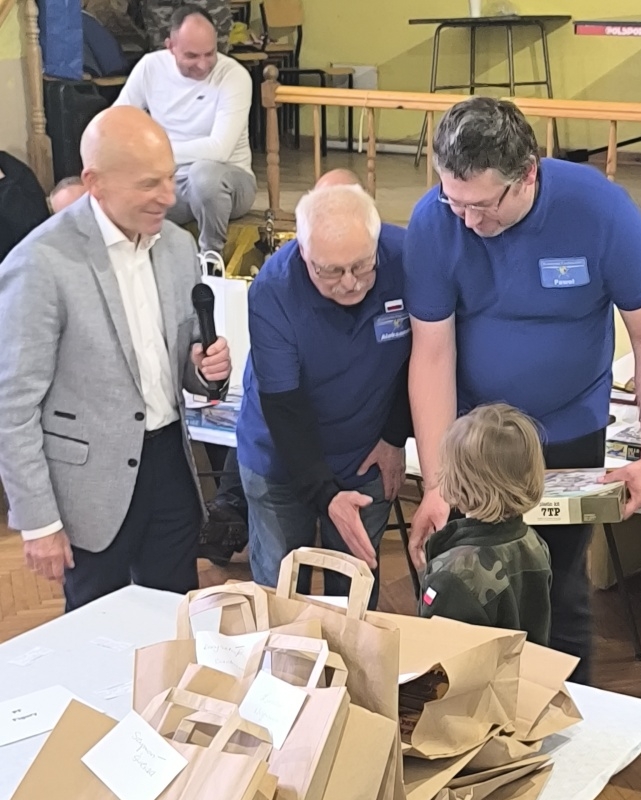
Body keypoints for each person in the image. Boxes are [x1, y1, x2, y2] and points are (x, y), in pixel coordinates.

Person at [405, 97, 641, 684]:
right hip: (475, 442)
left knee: (556, 584)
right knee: (468, 582)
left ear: (527, 174)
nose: (467, 221)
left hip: (569, 428)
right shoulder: (434, 221)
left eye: (482, 206)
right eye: (454, 202)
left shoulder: (600, 211)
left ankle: (567, 717)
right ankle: (468, 716)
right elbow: (431, 354)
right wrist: (435, 483)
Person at [0, 106, 231, 609]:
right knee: (95, 633)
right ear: (95, 183)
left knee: (170, 620)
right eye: (149, 184)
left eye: (170, 178)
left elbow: (183, 363)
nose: (169, 196)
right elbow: (12, 408)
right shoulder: (40, 263)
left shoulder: (178, 246)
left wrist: (205, 370)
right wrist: (39, 522)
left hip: (170, 466)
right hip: (89, 490)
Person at [419, 404, 550, 800]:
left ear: (458, 480)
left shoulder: (457, 570)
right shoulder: (533, 543)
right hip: (521, 709)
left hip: (467, 724)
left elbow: (439, 661)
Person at [237, 178, 411, 603]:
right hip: (281, 459)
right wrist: (325, 496)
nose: (350, 283)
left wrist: (394, 436)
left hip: (365, 454)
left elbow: (425, 354)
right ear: (303, 252)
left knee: (355, 596)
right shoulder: (273, 291)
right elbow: (284, 407)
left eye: (362, 266)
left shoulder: (408, 258)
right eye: (330, 271)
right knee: (280, 597)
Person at [116, 5, 255, 255]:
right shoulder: (150, 66)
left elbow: (219, 150)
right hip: (169, 182)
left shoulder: (234, 75)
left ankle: (211, 257)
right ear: (170, 47)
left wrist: (152, 155)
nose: (202, 65)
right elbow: (117, 121)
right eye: (191, 56)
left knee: (204, 175)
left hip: (228, 181)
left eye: (210, 53)